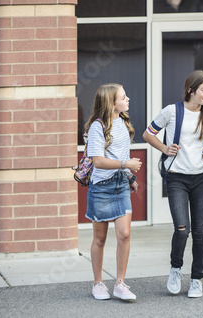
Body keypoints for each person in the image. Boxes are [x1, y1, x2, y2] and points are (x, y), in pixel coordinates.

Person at [143, 70, 203, 298]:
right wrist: (165, 148)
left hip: (200, 178)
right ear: (191, 90)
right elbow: (148, 134)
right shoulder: (172, 111)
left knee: (199, 232)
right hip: (176, 176)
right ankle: (175, 268)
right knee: (182, 229)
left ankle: (196, 279)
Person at [85, 83, 142, 301]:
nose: (128, 100)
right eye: (123, 97)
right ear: (111, 102)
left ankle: (120, 283)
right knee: (100, 238)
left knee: (124, 234)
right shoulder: (97, 127)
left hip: (120, 185)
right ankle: (98, 282)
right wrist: (126, 164)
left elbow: (121, 152)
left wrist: (129, 177)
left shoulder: (124, 123)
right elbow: (98, 161)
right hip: (101, 187)